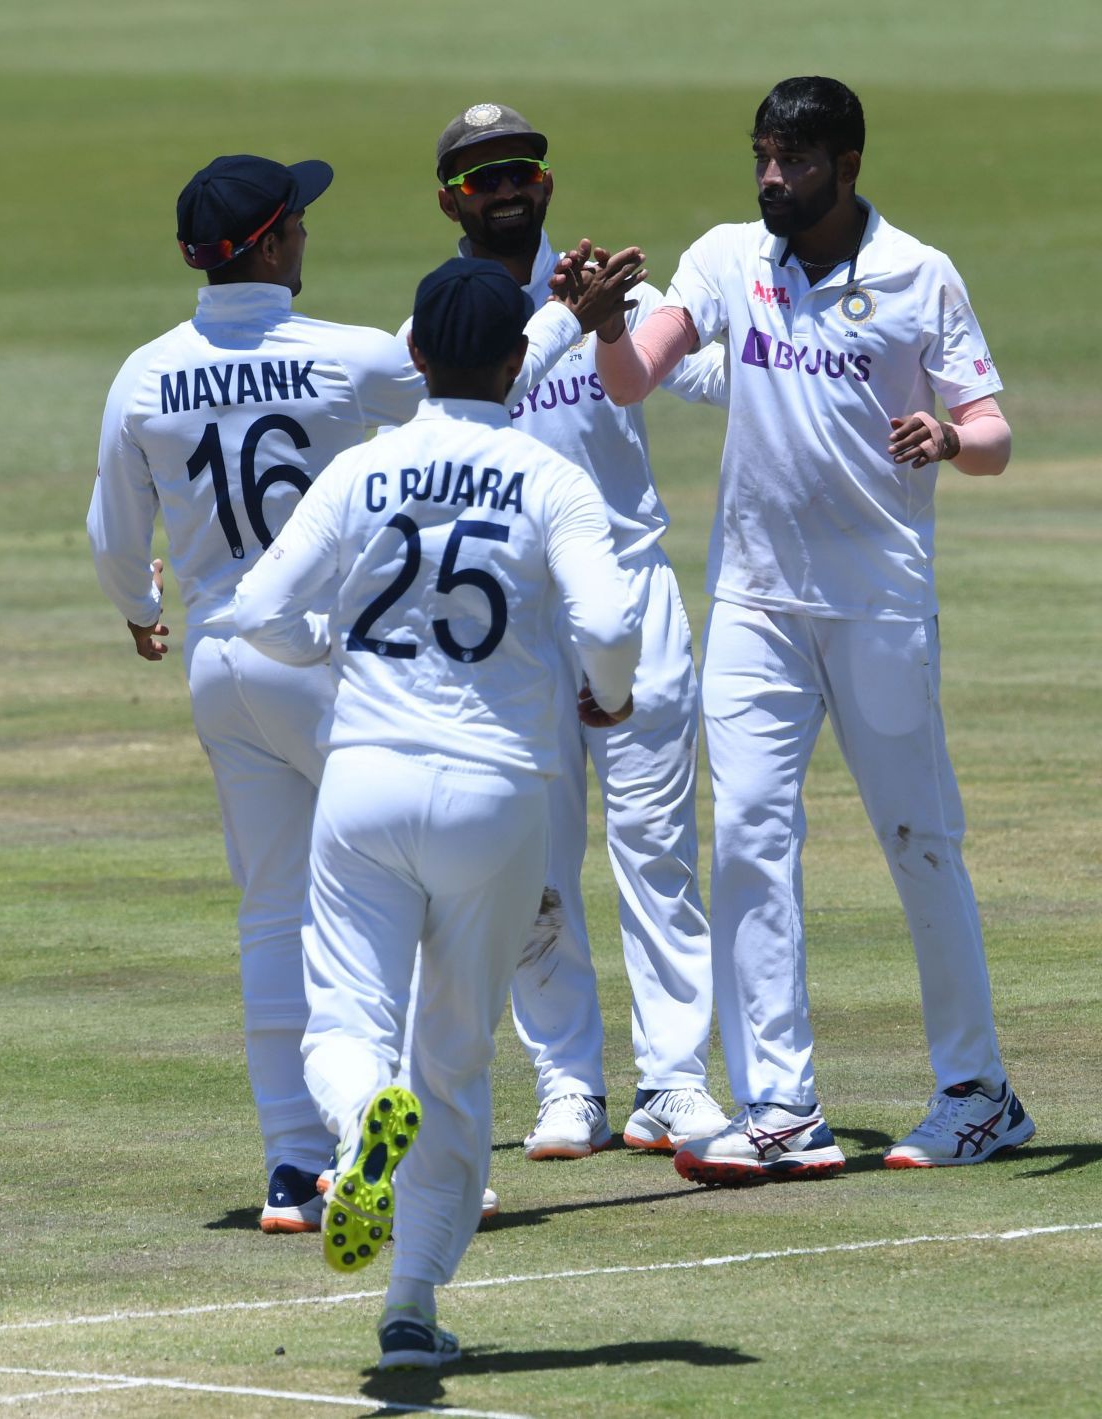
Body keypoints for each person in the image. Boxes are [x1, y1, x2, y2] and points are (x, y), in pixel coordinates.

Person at [87, 153, 605, 1233]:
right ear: (271, 246)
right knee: (402, 902)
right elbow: (472, 390)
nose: (308, 237)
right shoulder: (343, 357)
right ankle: (407, 1147)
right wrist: (562, 315)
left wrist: (140, 606)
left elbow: (111, 536)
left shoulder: (144, 373)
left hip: (220, 664)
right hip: (321, 659)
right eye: (300, 225)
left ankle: (292, 1168)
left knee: (274, 916)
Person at [591, 76, 1034, 1182]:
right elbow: (637, 376)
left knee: (918, 842)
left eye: (793, 160)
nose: (773, 178)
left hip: (879, 601)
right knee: (747, 839)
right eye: (762, 157)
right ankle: (783, 1108)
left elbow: (994, 433)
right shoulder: (729, 256)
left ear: (848, 165)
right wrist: (606, 325)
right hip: (753, 602)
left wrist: (950, 437)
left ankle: (978, 1095)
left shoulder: (917, 275)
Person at [232, 257, 642, 1370]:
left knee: (346, 1024)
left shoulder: (366, 469)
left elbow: (257, 609)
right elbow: (609, 622)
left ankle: (363, 1118)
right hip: (499, 794)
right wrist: (609, 691)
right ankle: (410, 1304)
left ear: (414, 357)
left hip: (365, 778)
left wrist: (326, 648)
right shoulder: (547, 478)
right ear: (519, 360)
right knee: (455, 1057)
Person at [423, 102, 732, 1162]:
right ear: (449, 198)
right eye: (479, 174)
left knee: (655, 848)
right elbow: (462, 419)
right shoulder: (446, 319)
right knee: (533, 861)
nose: (504, 184)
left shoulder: (616, 291)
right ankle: (568, 1085)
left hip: (631, 590)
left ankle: (676, 1082)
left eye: (520, 166)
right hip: (511, 614)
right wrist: (572, 315)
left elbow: (718, 376)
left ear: (546, 183)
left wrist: (612, 322)